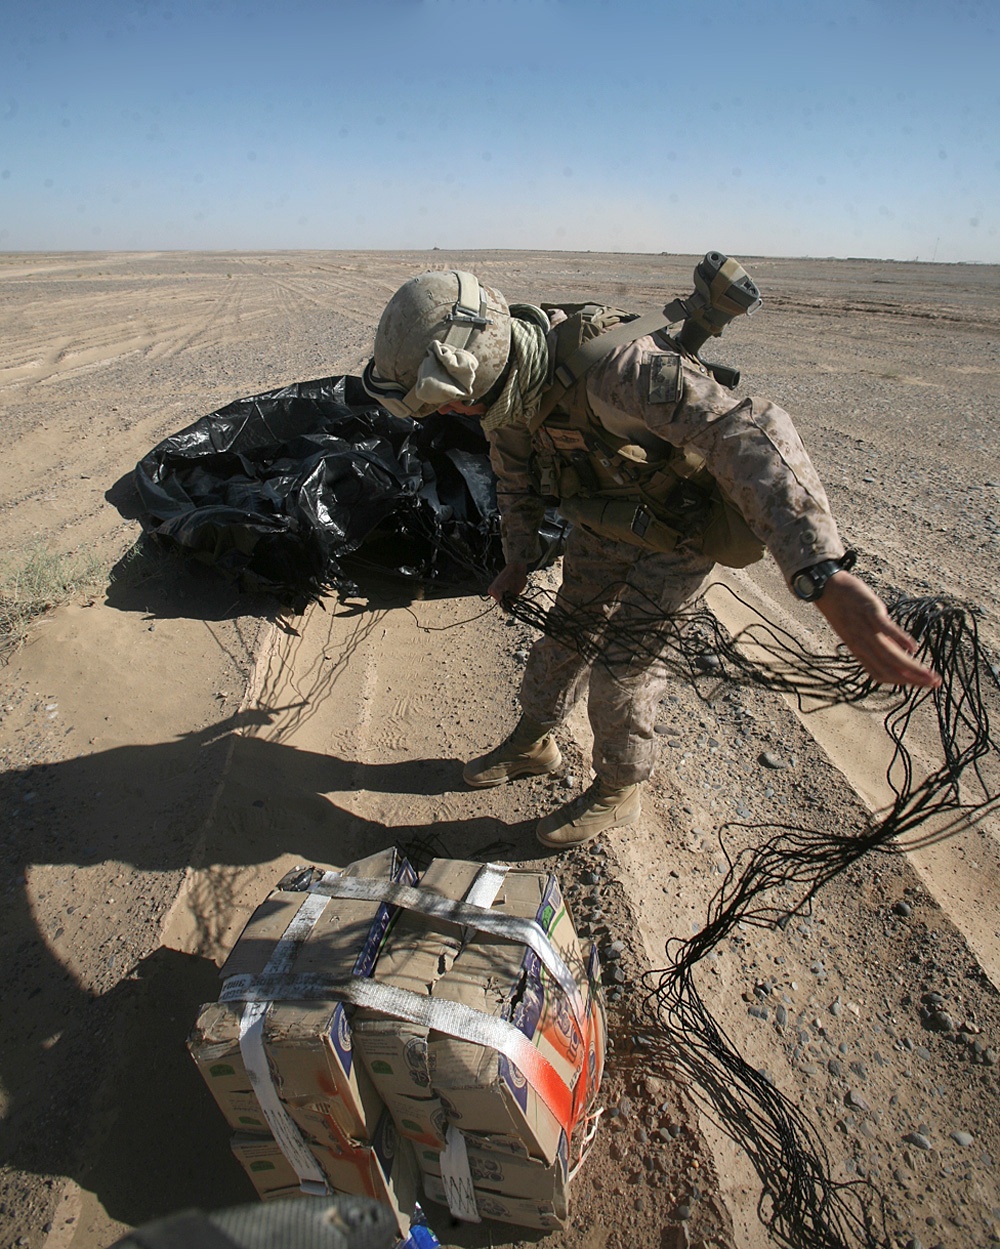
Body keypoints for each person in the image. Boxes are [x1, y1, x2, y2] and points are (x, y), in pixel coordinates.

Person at [362, 268, 940, 851]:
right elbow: (515, 481)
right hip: (604, 524)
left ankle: (619, 789)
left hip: (677, 537)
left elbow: (746, 430)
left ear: (476, 372)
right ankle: (536, 742)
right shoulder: (509, 397)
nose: (449, 417)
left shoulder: (620, 372)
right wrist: (518, 558)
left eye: (450, 406)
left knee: (622, 674)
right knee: (563, 636)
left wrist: (821, 569)